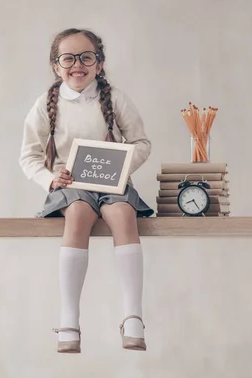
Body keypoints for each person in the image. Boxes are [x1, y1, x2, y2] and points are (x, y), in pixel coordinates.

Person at [18, 28, 154, 353]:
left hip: (113, 185)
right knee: (78, 214)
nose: (77, 64)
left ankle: (133, 315)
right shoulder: (45, 105)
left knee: (123, 213)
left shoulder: (115, 99)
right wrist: (51, 179)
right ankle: (69, 319)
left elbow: (141, 143)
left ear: (99, 63)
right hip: (72, 187)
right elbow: (29, 155)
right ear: (56, 65)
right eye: (68, 58)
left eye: (86, 57)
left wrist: (120, 165)